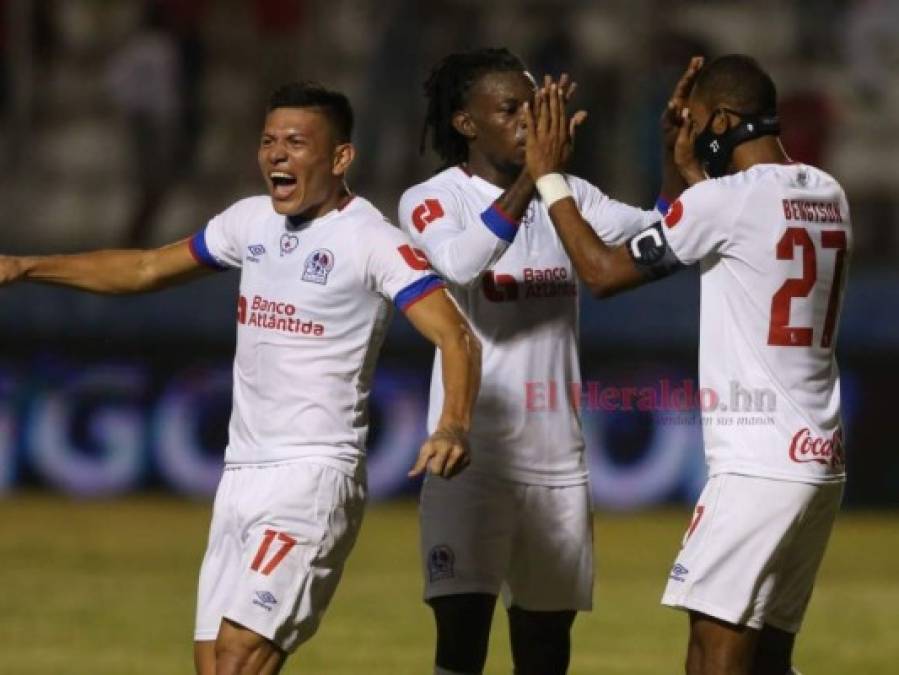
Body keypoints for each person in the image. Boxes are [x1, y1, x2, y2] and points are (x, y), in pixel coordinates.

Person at [0, 81, 481, 675]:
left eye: (296, 142)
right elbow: (147, 267)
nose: (276, 154)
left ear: (340, 158)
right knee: (214, 666)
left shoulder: (372, 241)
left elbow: (456, 334)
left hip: (312, 476)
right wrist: (24, 266)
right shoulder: (249, 223)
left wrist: (454, 424)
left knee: (236, 660)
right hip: (240, 477)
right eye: (268, 140)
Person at [524, 55, 849, 675]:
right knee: (769, 659)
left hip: (757, 467)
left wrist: (549, 178)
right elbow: (745, 232)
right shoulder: (826, 191)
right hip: (819, 460)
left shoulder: (726, 203)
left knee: (713, 656)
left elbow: (600, 272)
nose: (691, 127)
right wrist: (693, 170)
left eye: (697, 120)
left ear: (722, 118)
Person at [398, 47, 701, 675]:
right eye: (510, 110)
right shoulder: (431, 200)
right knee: (459, 646)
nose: (528, 123)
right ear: (465, 123)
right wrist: (530, 179)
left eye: (534, 110)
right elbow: (459, 263)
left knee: (544, 652)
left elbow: (667, 234)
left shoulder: (572, 195)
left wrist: (676, 166)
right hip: (470, 460)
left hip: (557, 463)